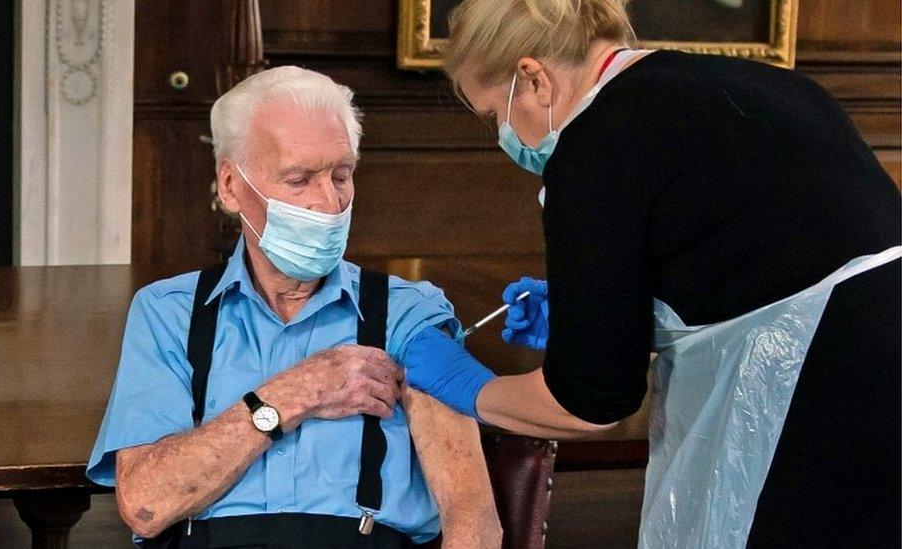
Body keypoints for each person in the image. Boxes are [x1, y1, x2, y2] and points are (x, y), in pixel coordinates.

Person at [400, 0, 902, 546]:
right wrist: (619, 310)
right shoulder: (757, 84)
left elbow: (589, 406)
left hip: (826, 395)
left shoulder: (594, 149)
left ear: (533, 78)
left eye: (493, 113)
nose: (502, 133)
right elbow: (748, 260)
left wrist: (469, 385)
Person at [86, 66, 501, 549]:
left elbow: (472, 517)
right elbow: (145, 505)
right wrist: (294, 394)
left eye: (341, 175)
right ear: (230, 186)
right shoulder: (168, 314)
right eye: (299, 179)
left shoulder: (408, 314)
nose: (329, 203)